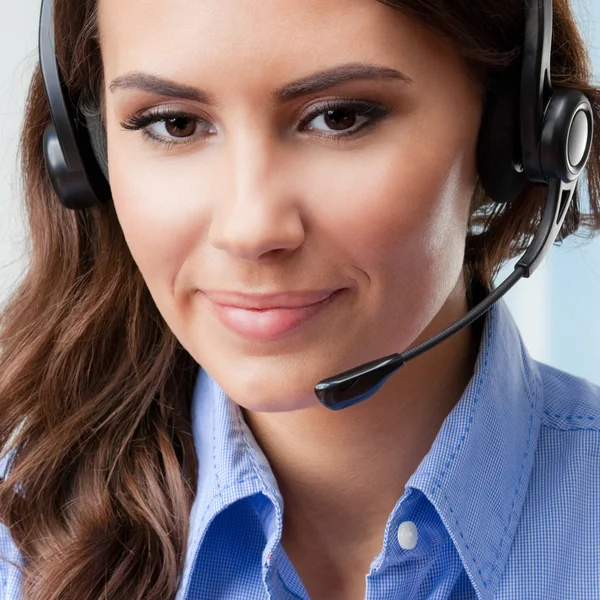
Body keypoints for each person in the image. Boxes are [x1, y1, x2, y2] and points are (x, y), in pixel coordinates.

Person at [0, 0, 599, 598]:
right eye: (174, 123)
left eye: (338, 117)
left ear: (514, 132)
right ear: (85, 155)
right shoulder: (15, 537)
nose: (250, 230)